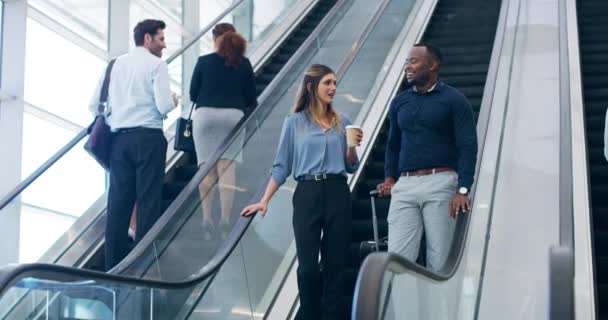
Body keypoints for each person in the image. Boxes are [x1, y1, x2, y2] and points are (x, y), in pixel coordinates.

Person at [241, 64, 362, 320]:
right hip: (307, 192)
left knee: (335, 265)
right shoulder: (294, 123)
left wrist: (351, 147)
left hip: (338, 192)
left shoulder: (344, 122)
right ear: (311, 87)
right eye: (327, 83)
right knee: (307, 268)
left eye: (335, 83)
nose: (333, 88)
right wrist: (264, 200)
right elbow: (281, 166)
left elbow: (351, 165)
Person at [377, 43, 478, 272]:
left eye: (414, 61)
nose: (408, 66)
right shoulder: (400, 101)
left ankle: (441, 309)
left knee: (439, 263)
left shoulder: (454, 100)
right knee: (397, 262)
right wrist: (390, 178)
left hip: (440, 183)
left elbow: (468, 145)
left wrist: (463, 189)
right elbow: (393, 145)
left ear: (432, 65)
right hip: (405, 186)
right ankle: (404, 309)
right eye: (407, 61)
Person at [89, 19, 178, 270]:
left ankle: (113, 267)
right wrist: (173, 100)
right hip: (148, 139)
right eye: (161, 38)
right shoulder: (157, 65)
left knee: (118, 204)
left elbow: (93, 105)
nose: (164, 44)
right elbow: (163, 106)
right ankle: (141, 266)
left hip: (119, 141)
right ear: (147, 39)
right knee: (148, 203)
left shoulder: (114, 65)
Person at [189, 23, 257, 240]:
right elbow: (251, 99)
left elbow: (192, 94)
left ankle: (207, 218)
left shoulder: (204, 61)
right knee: (227, 169)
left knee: (206, 170)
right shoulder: (243, 63)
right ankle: (225, 220)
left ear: (215, 39)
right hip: (233, 117)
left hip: (205, 116)